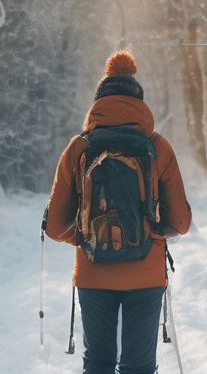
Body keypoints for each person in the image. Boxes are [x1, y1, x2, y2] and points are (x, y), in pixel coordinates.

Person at [45, 51, 193, 374]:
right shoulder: (157, 147)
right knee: (137, 368)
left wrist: (88, 234)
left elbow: (55, 226)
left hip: (93, 270)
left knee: (97, 363)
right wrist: (151, 227)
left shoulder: (79, 148)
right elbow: (181, 222)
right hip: (146, 272)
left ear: (99, 101)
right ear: (138, 101)